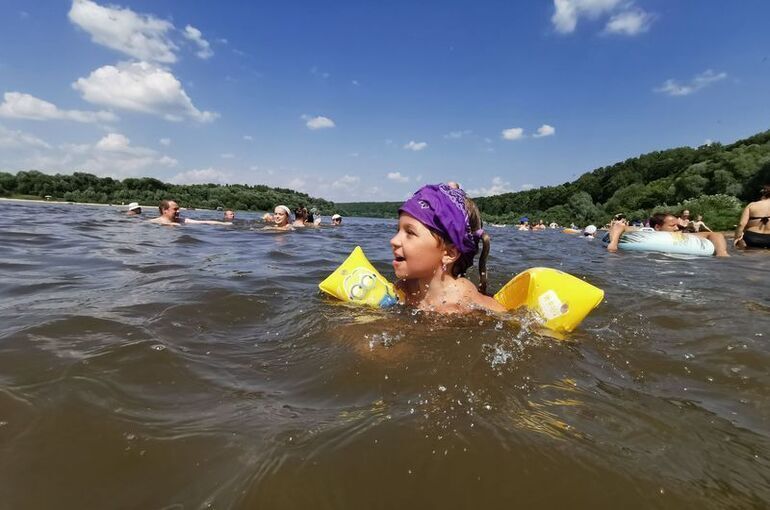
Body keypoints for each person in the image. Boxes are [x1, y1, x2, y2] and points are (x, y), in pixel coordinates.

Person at [390, 183, 506, 314]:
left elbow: (506, 316)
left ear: (449, 253)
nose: (393, 240)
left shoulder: (458, 305)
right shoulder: (404, 287)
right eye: (398, 230)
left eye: (410, 233)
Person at [606, 212, 729, 256]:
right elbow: (618, 226)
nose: (677, 228)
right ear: (658, 227)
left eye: (677, 225)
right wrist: (613, 243)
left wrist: (722, 253)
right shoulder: (644, 233)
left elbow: (716, 235)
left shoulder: (683, 235)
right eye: (672, 225)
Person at [735, 184, 770, 248]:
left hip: (752, 238)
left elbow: (741, 224)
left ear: (762, 194)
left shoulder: (751, 205)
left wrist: (737, 239)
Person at [149, 200, 232, 226]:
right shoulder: (154, 222)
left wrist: (224, 224)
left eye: (179, 209)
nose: (178, 211)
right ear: (165, 210)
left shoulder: (181, 220)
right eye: (175, 209)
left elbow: (204, 222)